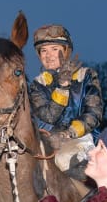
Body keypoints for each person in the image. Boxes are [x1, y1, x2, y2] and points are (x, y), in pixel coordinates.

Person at [29, 24, 103, 180]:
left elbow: (94, 114)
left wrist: (70, 133)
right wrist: (62, 88)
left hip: (83, 140)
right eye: (43, 51)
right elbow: (48, 117)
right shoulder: (37, 84)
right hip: (48, 143)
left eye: (54, 49)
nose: (48, 55)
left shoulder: (87, 75)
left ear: (66, 50)